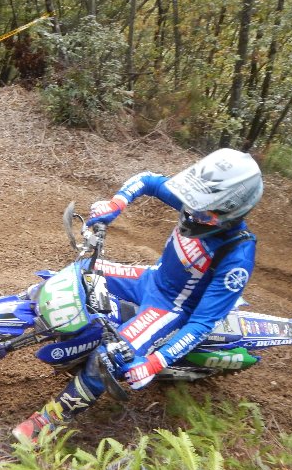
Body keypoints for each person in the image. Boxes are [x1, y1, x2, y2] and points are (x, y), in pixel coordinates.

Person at [13, 147, 263, 442]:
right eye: (192, 205)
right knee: (78, 270)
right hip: (150, 279)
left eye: (204, 215)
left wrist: (155, 362)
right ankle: (14, 311)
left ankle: (48, 421)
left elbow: (202, 323)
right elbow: (148, 180)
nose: (192, 215)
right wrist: (117, 203)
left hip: (169, 308)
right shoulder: (200, 206)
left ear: (232, 214)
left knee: (106, 359)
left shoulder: (237, 255)